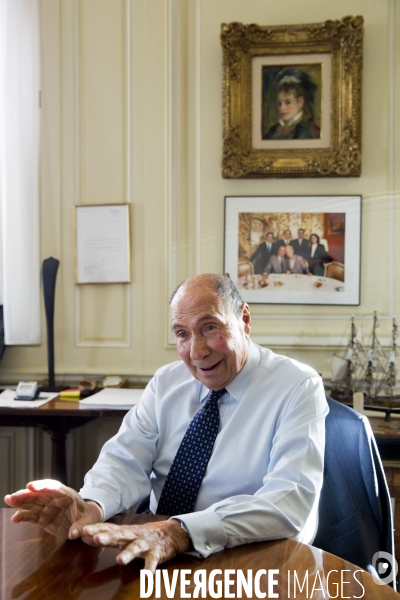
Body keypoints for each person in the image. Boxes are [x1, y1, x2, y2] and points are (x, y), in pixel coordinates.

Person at [5, 274, 328, 573]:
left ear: (244, 319)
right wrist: (91, 506)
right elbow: (125, 459)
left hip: (253, 556)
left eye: (210, 328)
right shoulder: (167, 382)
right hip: (156, 547)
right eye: (182, 334)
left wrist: (180, 531)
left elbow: (289, 501)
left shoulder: (297, 386)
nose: (197, 351)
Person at [263, 69, 320, 140]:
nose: (282, 108)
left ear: (300, 102)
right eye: (279, 103)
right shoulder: (273, 130)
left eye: (287, 102)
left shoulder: (306, 131)